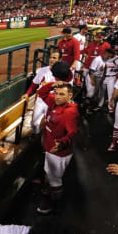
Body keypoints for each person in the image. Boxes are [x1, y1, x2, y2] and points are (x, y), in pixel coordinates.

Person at [36, 81, 79, 214]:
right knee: (50, 174)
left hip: (59, 153)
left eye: (62, 94)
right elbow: (41, 93)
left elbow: (73, 132)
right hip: (50, 148)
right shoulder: (54, 102)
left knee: (55, 179)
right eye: (56, 93)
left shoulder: (69, 113)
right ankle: (48, 189)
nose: (57, 96)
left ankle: (53, 204)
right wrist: (53, 84)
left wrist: (62, 143)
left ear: (70, 95)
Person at [23, 51, 73, 135]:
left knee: (50, 123)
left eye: (54, 58)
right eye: (50, 57)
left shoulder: (65, 73)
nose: (51, 60)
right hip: (41, 99)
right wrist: (27, 94)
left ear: (60, 59)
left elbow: (69, 90)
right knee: (35, 123)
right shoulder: (43, 70)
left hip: (54, 101)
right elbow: (34, 84)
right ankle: (36, 134)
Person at [103, 45, 118, 113]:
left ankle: (111, 107)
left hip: (112, 77)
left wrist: (117, 80)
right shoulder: (105, 57)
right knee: (100, 93)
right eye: (114, 50)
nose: (115, 51)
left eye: (116, 50)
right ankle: (100, 105)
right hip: (103, 77)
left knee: (111, 94)